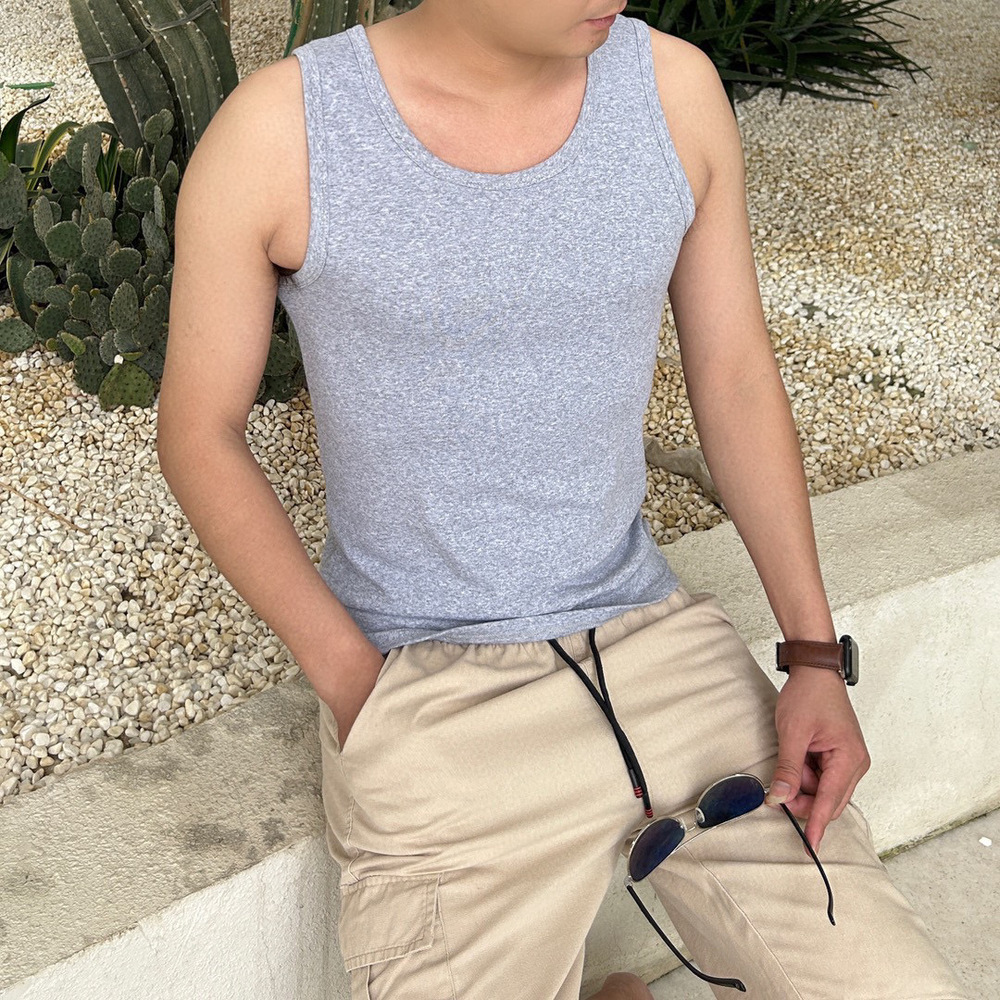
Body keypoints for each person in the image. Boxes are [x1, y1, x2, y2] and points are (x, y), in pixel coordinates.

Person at [157, 1, 971, 997]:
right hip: (431, 694)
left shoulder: (672, 91)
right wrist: (362, 694)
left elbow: (734, 376)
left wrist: (812, 655)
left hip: (661, 650)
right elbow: (198, 431)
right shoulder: (283, 131)